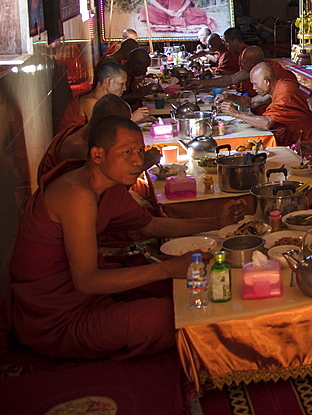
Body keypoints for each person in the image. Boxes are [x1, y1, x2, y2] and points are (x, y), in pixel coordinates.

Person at [7, 116, 246, 359]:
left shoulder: (108, 185)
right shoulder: (76, 194)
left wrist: (216, 222)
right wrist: (167, 269)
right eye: (128, 152)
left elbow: (151, 225)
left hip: (88, 298)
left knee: (177, 294)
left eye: (140, 151)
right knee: (175, 315)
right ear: (97, 155)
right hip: (55, 317)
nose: (138, 161)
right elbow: (86, 281)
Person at [219, 62, 312, 148]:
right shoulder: (276, 87)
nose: (254, 88)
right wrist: (229, 97)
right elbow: (251, 102)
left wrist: (236, 113)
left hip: (305, 141)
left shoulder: (285, 92)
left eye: (255, 84)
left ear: (266, 81)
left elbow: (266, 123)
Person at [41, 95, 140, 180]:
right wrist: (141, 166)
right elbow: (105, 189)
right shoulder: (79, 148)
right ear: (109, 125)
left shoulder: (88, 133)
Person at [58, 63, 148, 130]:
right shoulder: (90, 102)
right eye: (122, 84)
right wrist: (131, 120)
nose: (124, 88)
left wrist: (140, 121)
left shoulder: (105, 101)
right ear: (108, 81)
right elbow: (102, 133)